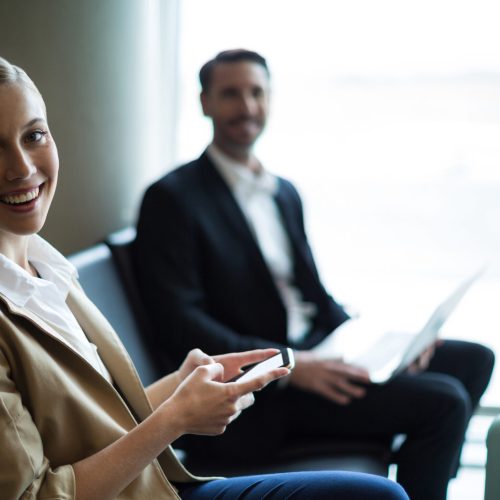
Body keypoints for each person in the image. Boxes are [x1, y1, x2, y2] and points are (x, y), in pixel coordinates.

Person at [0, 56, 411, 500]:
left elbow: (97, 421)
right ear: (205, 104)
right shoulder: (172, 200)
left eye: (34, 135)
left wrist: (178, 387)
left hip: (155, 481)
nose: (22, 168)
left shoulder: (48, 269)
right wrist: (175, 419)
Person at [134, 49, 495, 500]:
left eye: (256, 93)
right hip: (263, 395)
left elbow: (314, 297)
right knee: (443, 402)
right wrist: (289, 365)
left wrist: (395, 345)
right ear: (204, 102)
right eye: (231, 94)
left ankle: (421, 463)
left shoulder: (283, 192)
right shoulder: (172, 198)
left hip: (313, 352)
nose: (247, 107)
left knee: (474, 358)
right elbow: (180, 324)